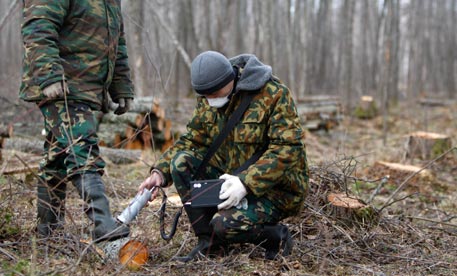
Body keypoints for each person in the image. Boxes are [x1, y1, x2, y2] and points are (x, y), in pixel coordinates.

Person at [138, 51, 309, 261]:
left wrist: (246, 183)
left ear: (231, 80)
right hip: (229, 178)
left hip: (275, 189)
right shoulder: (208, 97)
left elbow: (288, 148)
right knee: (181, 162)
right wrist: (160, 172)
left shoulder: (273, 94)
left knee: (223, 224)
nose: (211, 99)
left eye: (216, 92)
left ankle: (276, 236)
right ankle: (209, 243)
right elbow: (193, 139)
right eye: (205, 95)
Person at [20, 0, 134, 242]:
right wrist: (49, 75)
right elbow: (37, 28)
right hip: (61, 86)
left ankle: (47, 233)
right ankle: (102, 223)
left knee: (57, 159)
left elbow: (116, 42)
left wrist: (121, 85)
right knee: (82, 147)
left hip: (87, 88)